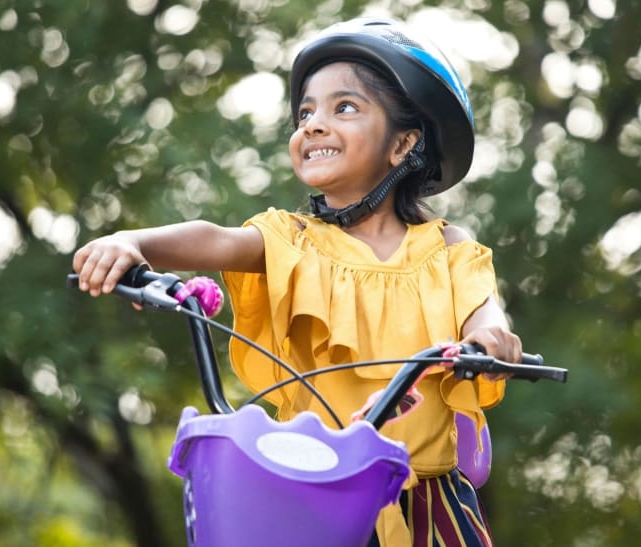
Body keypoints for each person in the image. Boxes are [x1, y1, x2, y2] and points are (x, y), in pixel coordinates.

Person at [73, 17, 522, 546]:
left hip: (428, 502)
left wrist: (490, 336)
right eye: (305, 111)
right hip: (316, 491)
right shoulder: (291, 240)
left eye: (344, 107)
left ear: (404, 143)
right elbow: (214, 239)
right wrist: (135, 242)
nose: (313, 124)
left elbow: (482, 308)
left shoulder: (445, 246)